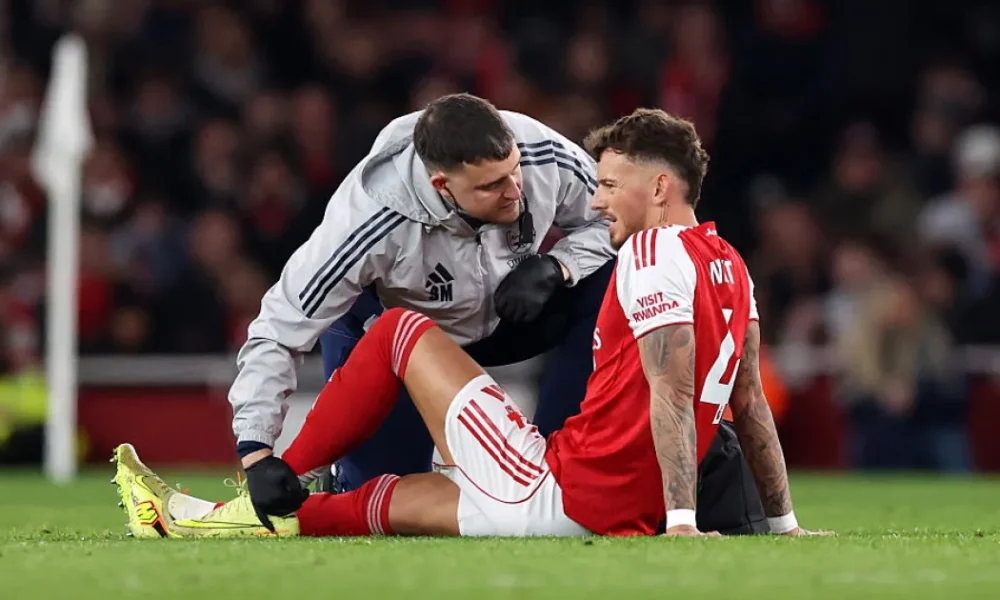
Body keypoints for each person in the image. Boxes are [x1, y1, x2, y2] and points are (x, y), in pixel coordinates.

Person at [114, 108, 829, 539]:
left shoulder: (640, 248)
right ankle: (202, 514)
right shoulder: (729, 262)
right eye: (494, 184)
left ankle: (273, 483)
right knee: (381, 502)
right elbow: (749, 402)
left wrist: (680, 527)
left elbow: (673, 395)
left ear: (659, 189)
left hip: (561, 487)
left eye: (610, 186)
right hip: (582, 500)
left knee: (397, 335)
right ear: (441, 185)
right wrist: (781, 524)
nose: (594, 200)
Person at [229, 92, 617, 497]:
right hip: (401, 340)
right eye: (491, 186)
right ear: (441, 185)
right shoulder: (367, 220)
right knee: (385, 493)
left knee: (615, 278)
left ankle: (563, 465)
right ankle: (347, 478)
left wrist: (558, 265)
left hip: (515, 309)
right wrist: (256, 450)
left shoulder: (539, 150)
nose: (515, 191)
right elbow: (280, 323)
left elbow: (620, 218)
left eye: (514, 171)